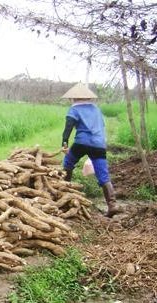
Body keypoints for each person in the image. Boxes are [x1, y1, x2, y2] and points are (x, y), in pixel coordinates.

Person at [61, 83, 121, 217]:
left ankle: (64, 191)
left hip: (81, 142)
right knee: (103, 174)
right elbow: (101, 126)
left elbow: (68, 127)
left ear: (73, 98)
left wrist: (64, 143)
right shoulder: (96, 109)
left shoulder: (74, 109)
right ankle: (112, 205)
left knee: (68, 163)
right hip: (99, 144)